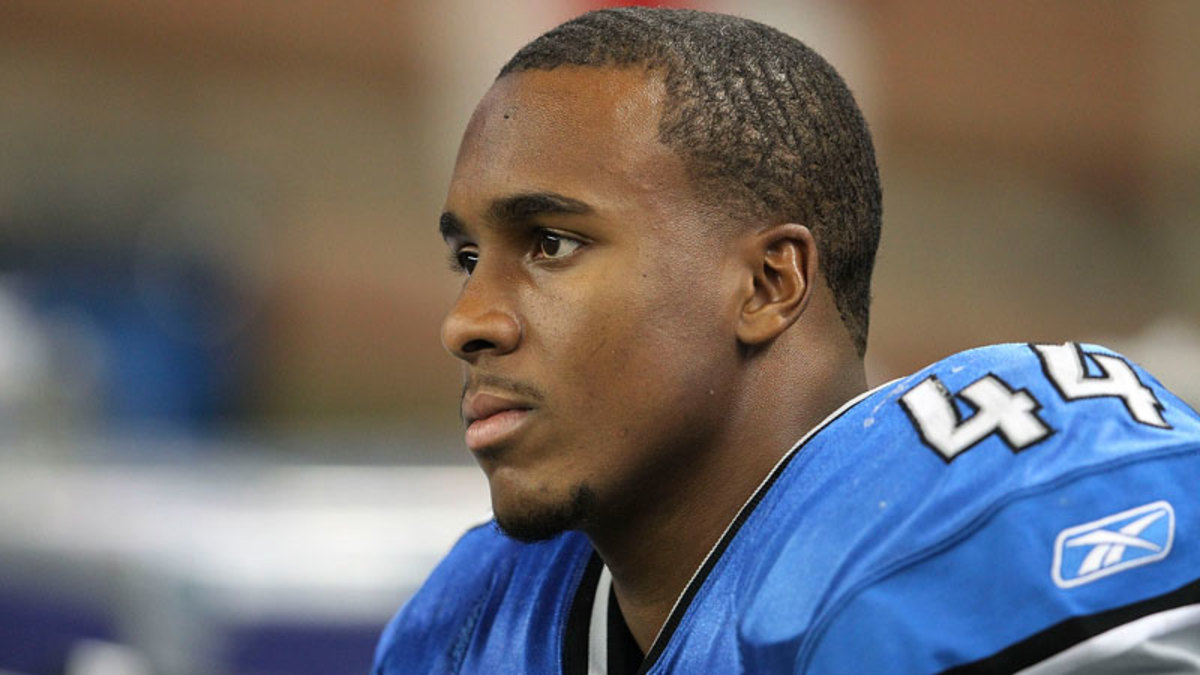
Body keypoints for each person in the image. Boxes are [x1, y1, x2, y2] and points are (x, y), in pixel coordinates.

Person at [374, 7, 1200, 674]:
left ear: (770, 283)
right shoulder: (471, 624)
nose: (467, 320)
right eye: (469, 258)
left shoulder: (968, 532)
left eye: (552, 243)